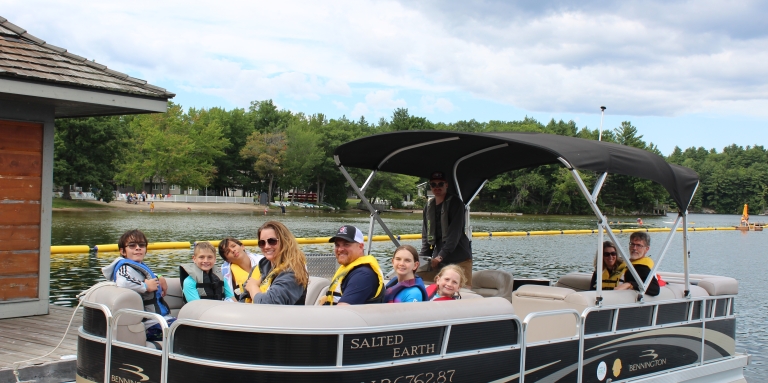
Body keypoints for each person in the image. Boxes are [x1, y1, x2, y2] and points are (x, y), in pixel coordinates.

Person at [101, 229, 174, 341]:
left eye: (141, 245)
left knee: (193, 328)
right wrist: (145, 286)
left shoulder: (137, 266)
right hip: (149, 324)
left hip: (159, 319)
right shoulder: (124, 268)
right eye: (132, 246)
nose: (138, 248)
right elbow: (123, 282)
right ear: (123, 251)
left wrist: (159, 276)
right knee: (187, 331)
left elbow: (143, 276)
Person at [418, 171, 473, 285]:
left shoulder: (456, 204)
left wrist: (440, 257)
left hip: (460, 259)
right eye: (433, 184)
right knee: (418, 279)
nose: (437, 187)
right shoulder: (428, 207)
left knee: (463, 292)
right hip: (440, 261)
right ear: (430, 186)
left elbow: (454, 234)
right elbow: (426, 237)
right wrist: (422, 260)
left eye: (440, 184)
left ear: (446, 185)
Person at [243, 221, 309, 305]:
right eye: (262, 243)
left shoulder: (293, 271)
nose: (266, 246)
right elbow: (244, 296)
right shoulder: (260, 267)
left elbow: (270, 304)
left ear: (285, 241)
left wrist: (253, 287)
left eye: (272, 241)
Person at [323, 225, 384, 305]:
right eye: (337, 245)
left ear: (361, 246)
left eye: (346, 244)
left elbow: (343, 311)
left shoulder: (363, 275)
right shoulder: (350, 270)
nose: (340, 249)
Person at [218, 237, 264, 303]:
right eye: (228, 251)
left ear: (242, 246)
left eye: (233, 246)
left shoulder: (264, 262)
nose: (232, 250)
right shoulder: (224, 275)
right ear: (227, 260)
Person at [614, 232, 660, 296]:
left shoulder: (642, 267)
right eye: (632, 244)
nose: (634, 248)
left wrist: (630, 284)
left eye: (639, 245)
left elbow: (655, 289)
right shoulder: (626, 264)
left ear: (647, 249)